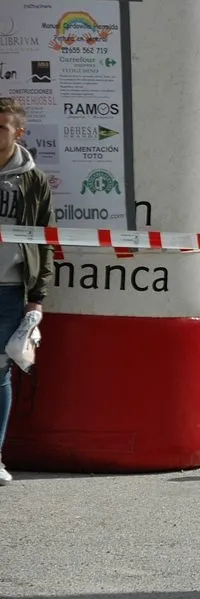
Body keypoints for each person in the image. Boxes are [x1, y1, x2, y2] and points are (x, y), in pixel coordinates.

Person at [0, 98, 53, 485]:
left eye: (0, 127)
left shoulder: (33, 180)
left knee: (0, 372)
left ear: (18, 132)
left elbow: (44, 240)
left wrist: (38, 297)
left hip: (9, 288)